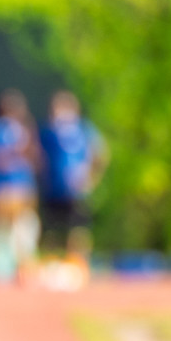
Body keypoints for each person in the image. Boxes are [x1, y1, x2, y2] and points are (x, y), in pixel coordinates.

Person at [38, 90, 107, 263]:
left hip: (77, 191)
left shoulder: (84, 129)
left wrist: (91, 178)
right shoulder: (49, 132)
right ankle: (52, 264)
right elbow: (38, 156)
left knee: (78, 229)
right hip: (54, 188)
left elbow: (101, 154)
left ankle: (78, 263)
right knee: (52, 230)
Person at [0, 89, 41, 279]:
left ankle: (23, 267)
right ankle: (2, 268)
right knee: (3, 230)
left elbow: (34, 156)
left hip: (21, 185)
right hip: (5, 186)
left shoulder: (25, 128)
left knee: (23, 229)